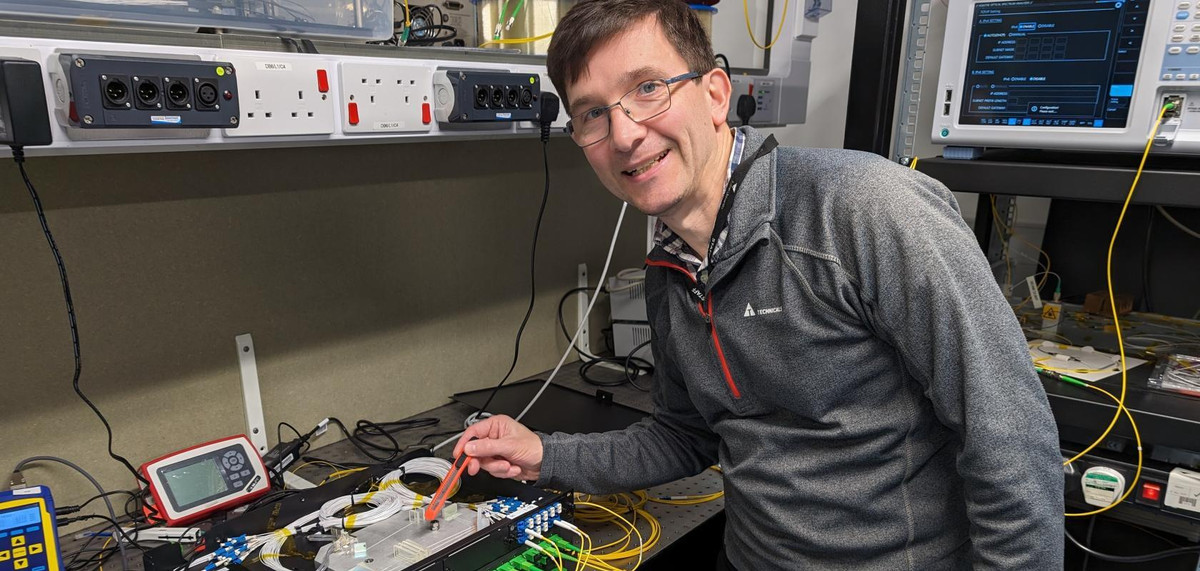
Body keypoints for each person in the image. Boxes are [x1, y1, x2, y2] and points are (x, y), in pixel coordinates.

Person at [454, 0, 1064, 568]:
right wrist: (545, 456)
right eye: (593, 113)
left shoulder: (866, 208)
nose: (624, 134)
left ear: (715, 94)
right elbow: (685, 435)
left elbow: (1011, 442)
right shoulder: (671, 268)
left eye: (648, 88)